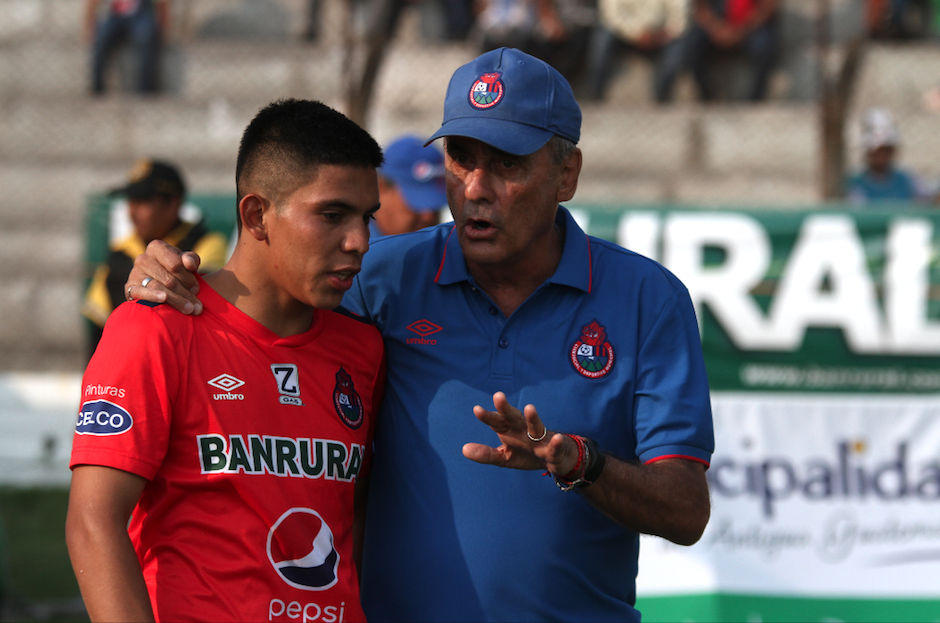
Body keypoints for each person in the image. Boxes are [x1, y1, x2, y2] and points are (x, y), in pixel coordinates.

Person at [127, 48, 714, 622]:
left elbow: (687, 511)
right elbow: (262, 317)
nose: (476, 187)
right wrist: (170, 276)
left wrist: (578, 462)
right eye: (461, 157)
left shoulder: (647, 300)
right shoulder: (379, 279)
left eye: (507, 163)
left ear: (567, 174)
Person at [66, 99, 386, 622]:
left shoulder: (364, 348)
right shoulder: (155, 327)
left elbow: (360, 517)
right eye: (332, 215)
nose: (359, 241)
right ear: (257, 215)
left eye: (366, 217)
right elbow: (92, 522)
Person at [82, 158, 228, 356]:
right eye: (130, 201)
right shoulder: (119, 252)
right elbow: (100, 328)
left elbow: (205, 299)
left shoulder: (206, 244)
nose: (133, 211)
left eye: (143, 201)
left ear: (174, 203)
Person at [655, 0, 779, 102]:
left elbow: (767, 8)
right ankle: (707, 95)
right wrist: (717, 29)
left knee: (764, 44)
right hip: (715, 27)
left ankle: (756, 99)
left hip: (749, 28)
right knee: (691, 43)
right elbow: (699, 8)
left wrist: (740, 32)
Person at [846, 107, 933, 204]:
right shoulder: (856, 183)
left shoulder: (906, 180)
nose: (882, 156)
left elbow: (929, 197)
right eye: (878, 151)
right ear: (868, 152)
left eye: (886, 150)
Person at [85, 0, 168, 95]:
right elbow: (92, 2)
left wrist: (162, 29)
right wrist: (89, 28)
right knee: (100, 38)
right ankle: (97, 89)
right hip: (114, 16)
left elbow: (163, 3)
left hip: (141, 15)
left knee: (146, 38)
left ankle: (146, 91)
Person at [372, 135, 446, 238]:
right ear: (380, 188)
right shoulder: (348, 248)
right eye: (418, 201)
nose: (428, 217)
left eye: (435, 205)